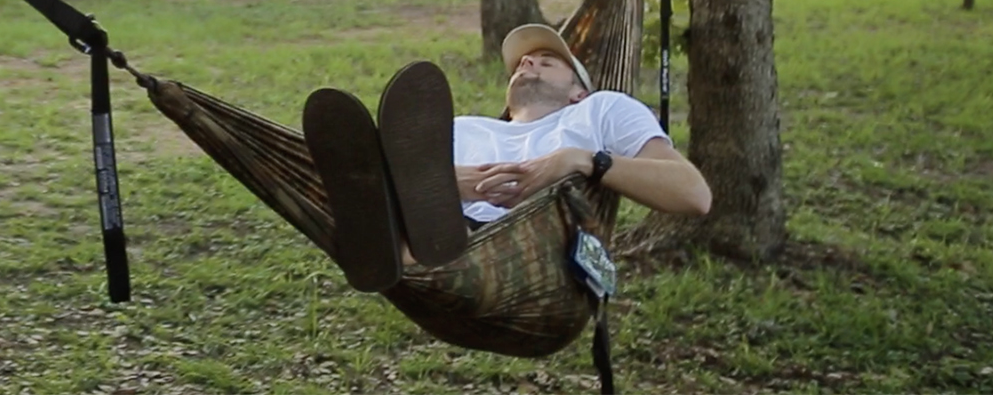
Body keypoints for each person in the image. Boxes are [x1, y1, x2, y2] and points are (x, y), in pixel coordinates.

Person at [301, 23, 710, 293]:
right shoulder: (466, 129)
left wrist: (582, 160)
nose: (528, 62)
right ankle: (399, 238)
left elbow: (694, 195)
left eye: (547, 62)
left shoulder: (600, 109)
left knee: (411, 195)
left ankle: (394, 245)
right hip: (444, 233)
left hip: (536, 254)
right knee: (396, 180)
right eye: (521, 64)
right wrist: (453, 185)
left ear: (577, 92)